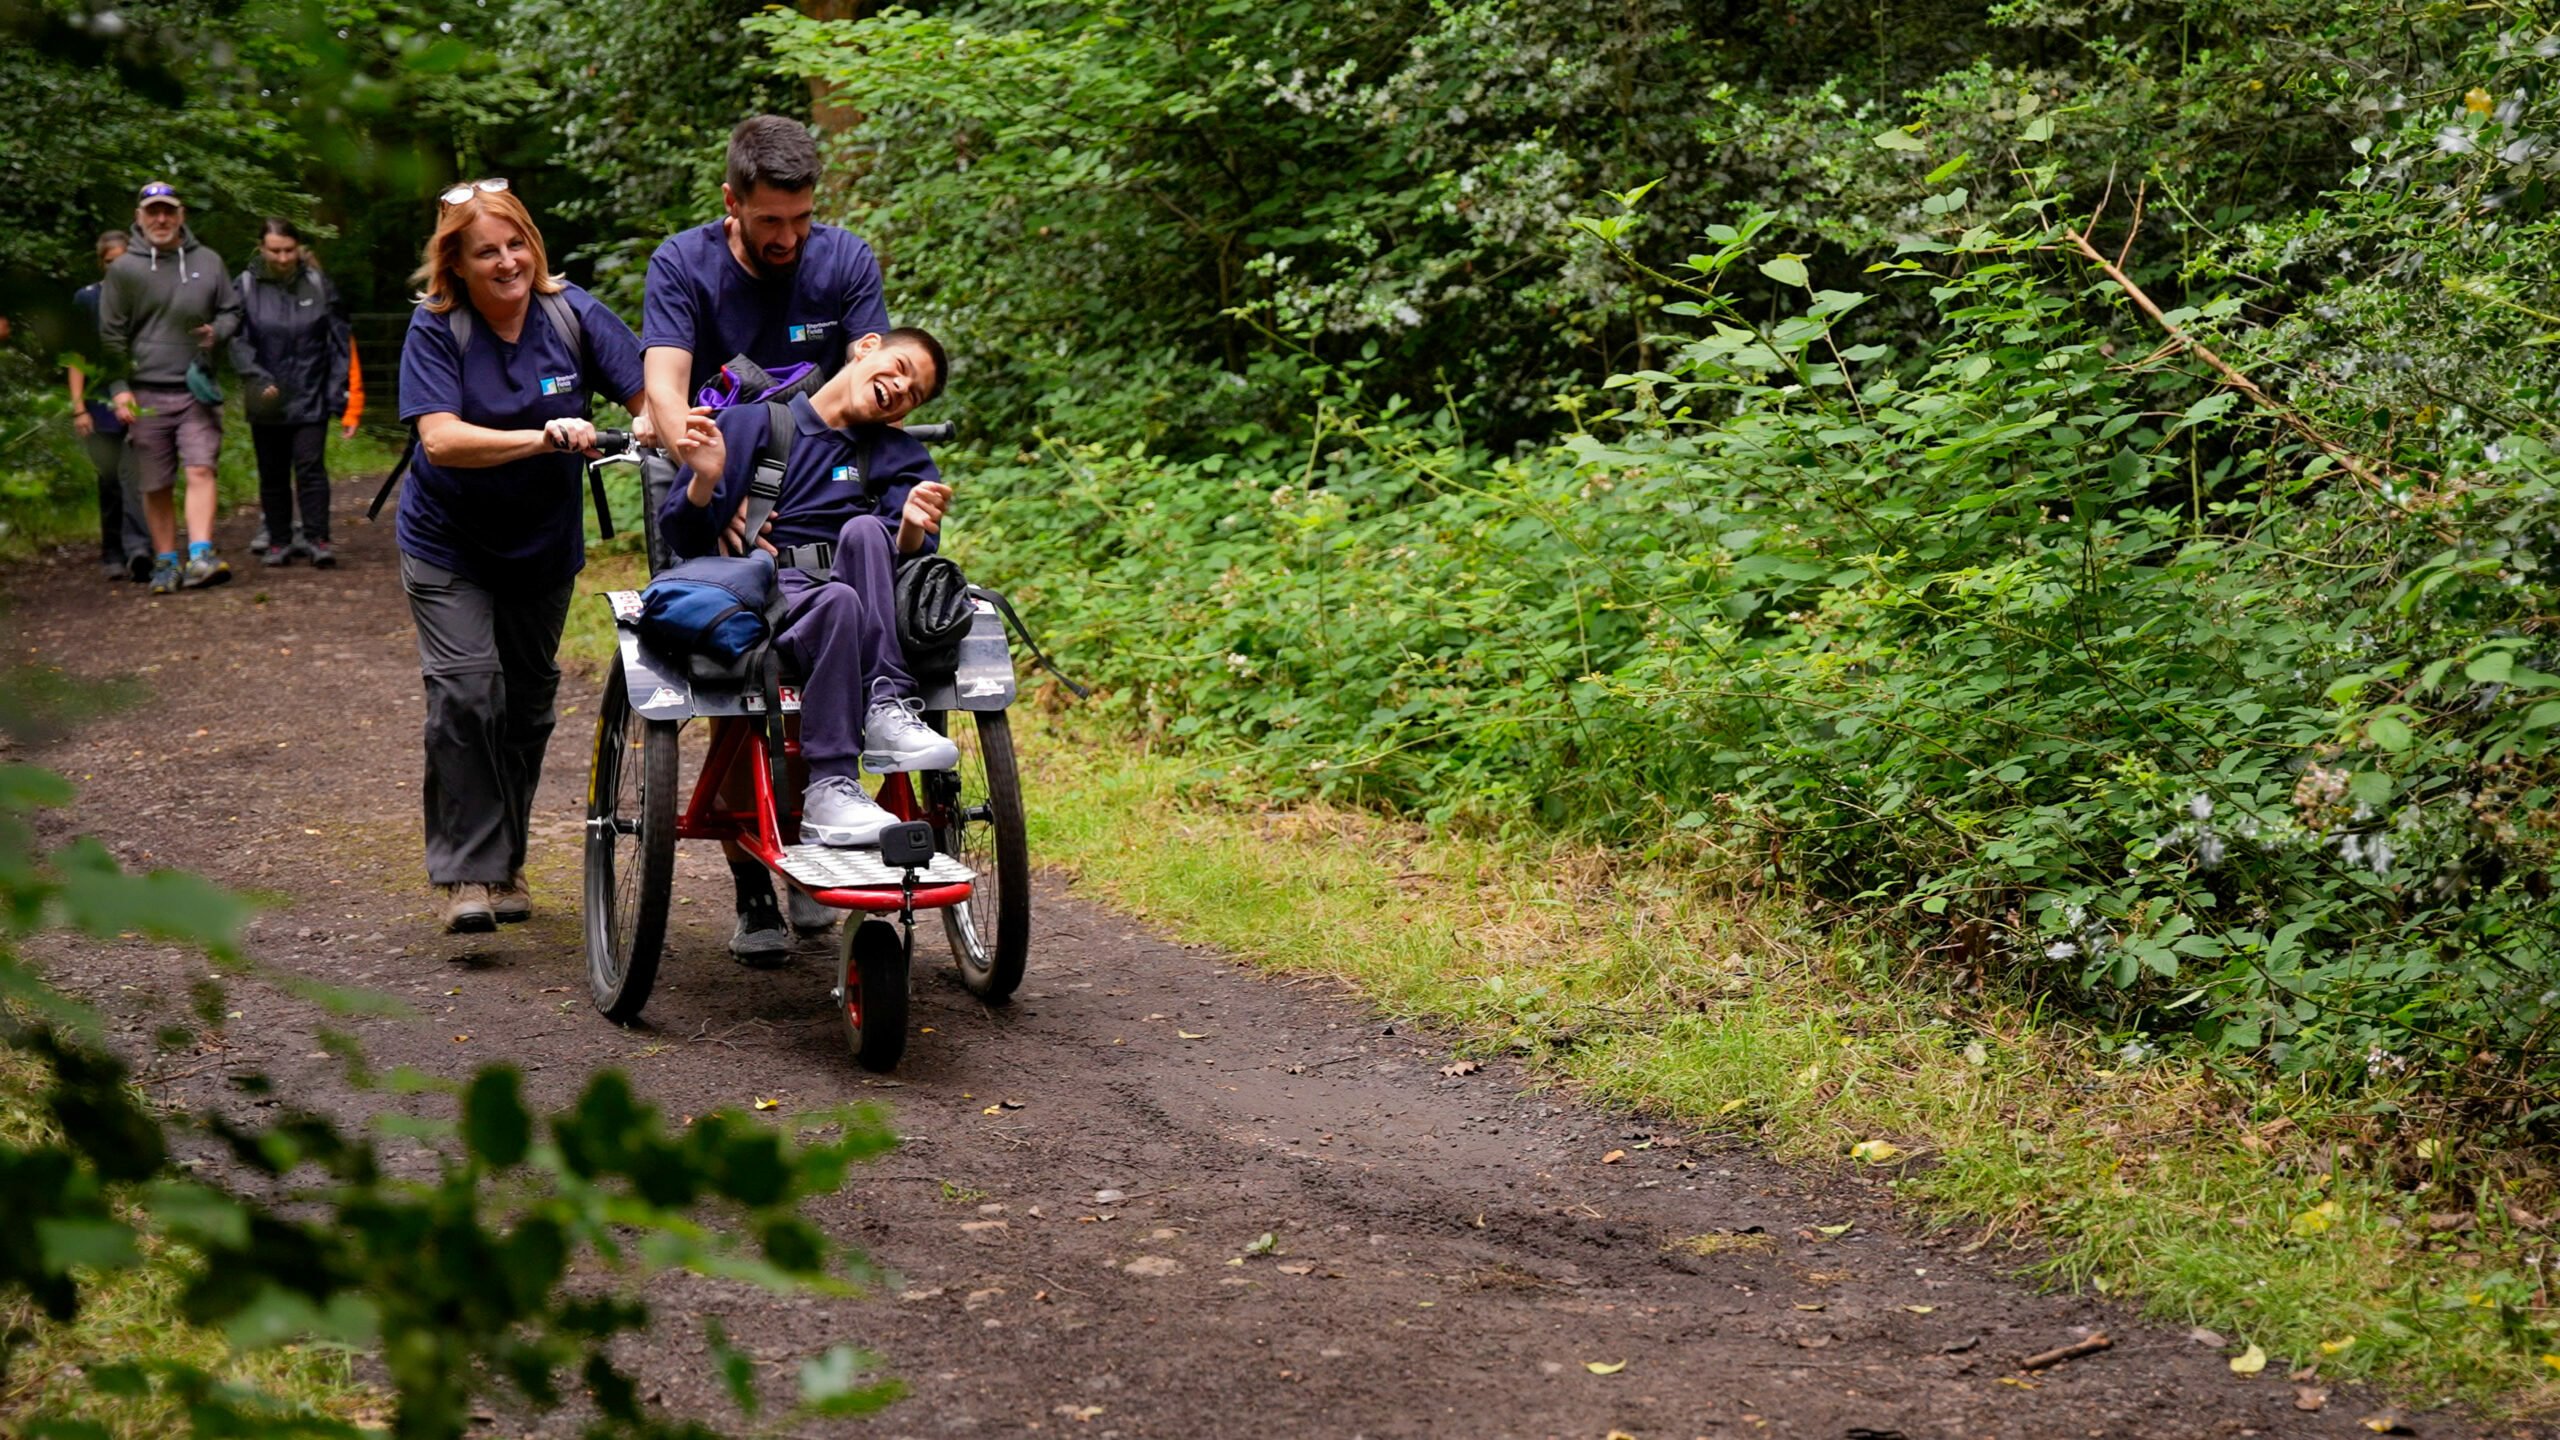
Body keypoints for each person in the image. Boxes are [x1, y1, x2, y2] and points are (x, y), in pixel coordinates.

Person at [638, 114, 892, 956]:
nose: (788, 237)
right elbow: (665, 390)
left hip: (822, 492)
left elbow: (869, 363)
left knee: (843, 625)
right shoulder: (684, 264)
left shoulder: (846, 260)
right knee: (740, 670)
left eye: (802, 219)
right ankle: (753, 887)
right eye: (770, 221)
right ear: (732, 204)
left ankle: (815, 834)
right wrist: (714, 471)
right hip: (718, 484)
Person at [397, 179, 646, 933]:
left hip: (541, 547)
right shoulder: (439, 327)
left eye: (515, 245)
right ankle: (467, 875)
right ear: (457, 265)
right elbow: (439, 438)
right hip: (448, 542)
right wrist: (541, 437)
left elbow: (649, 397)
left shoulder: (571, 315)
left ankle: (504, 864)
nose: (506, 261)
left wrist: (671, 428)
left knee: (527, 706)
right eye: (486, 252)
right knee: (468, 691)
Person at [661, 328, 957, 849]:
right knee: (839, 598)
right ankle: (832, 784)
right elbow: (683, 536)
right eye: (901, 368)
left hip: (863, 601)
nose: (901, 388)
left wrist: (909, 525)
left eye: (914, 394)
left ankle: (886, 707)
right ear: (867, 348)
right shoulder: (754, 424)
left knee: (864, 535)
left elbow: (915, 556)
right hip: (772, 598)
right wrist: (705, 481)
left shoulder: (897, 455)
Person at [99, 181, 243, 593]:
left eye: (168, 211)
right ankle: (165, 561)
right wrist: (119, 387)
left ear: (181, 215)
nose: (160, 219)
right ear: (139, 218)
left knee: (201, 467)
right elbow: (109, 337)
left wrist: (217, 331)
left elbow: (232, 310)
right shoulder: (123, 270)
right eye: (152, 212)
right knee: (155, 482)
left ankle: (200, 555)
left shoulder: (209, 262)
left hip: (196, 388)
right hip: (145, 393)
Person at [233, 219, 351, 568]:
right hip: (265, 396)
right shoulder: (245, 286)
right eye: (275, 251)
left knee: (310, 467)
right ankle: (278, 539)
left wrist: (336, 392)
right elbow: (237, 340)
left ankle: (318, 538)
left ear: (298, 248)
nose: (283, 258)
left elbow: (339, 341)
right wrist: (256, 378)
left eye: (289, 250)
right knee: (272, 471)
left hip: (310, 392)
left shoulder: (318, 284)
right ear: (262, 249)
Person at [69, 229, 150, 581]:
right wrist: (78, 407)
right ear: (101, 263)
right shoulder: (86, 300)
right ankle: (112, 550)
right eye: (110, 262)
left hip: (141, 395)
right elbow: (76, 356)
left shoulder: (146, 297)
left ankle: (140, 548)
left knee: (138, 475)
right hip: (99, 400)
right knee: (109, 477)